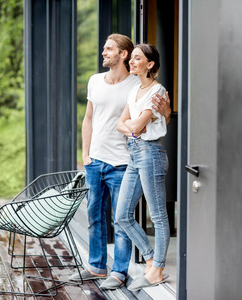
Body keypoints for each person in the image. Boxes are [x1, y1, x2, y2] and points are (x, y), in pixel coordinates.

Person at [69, 34, 171, 290]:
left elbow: (147, 122)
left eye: (109, 48)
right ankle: (100, 265)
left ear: (123, 55)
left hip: (129, 159)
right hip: (102, 158)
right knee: (102, 216)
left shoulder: (142, 87)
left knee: (134, 218)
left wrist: (148, 121)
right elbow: (96, 120)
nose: (103, 52)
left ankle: (126, 271)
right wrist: (85, 155)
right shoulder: (110, 84)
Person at [116, 44, 170, 291]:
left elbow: (135, 127)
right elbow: (122, 124)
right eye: (132, 58)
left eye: (137, 58)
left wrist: (134, 127)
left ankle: (157, 270)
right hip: (135, 154)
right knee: (122, 215)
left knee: (157, 215)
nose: (131, 61)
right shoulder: (135, 90)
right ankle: (150, 259)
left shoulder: (157, 90)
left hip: (151, 153)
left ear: (150, 65)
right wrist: (133, 127)